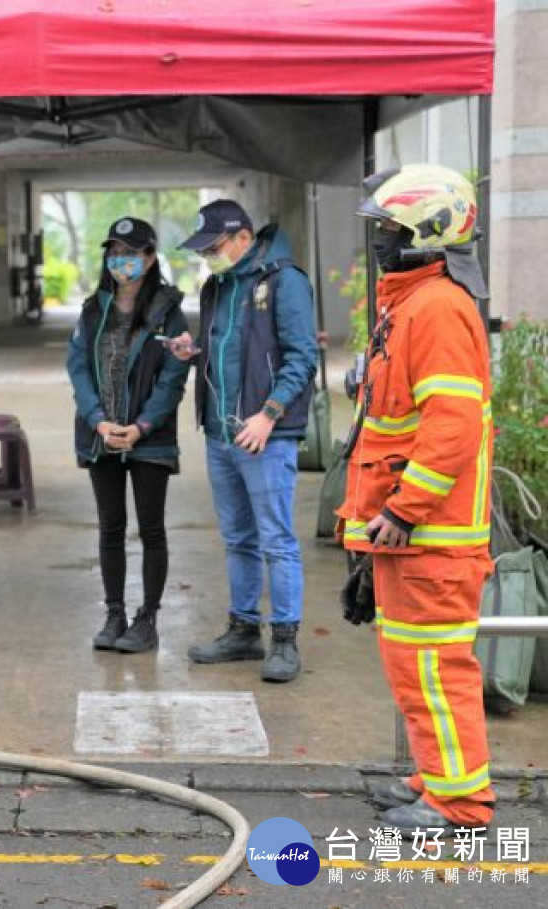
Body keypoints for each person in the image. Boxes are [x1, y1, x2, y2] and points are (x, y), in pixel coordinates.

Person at [340, 164, 494, 834]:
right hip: (410, 535)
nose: (379, 241)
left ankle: (458, 802)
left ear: (426, 233)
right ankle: (437, 776)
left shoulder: (434, 308)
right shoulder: (412, 303)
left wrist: (404, 509)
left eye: (390, 229)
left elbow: (452, 427)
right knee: (414, 664)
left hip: (429, 535)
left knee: (434, 667)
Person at [172, 199, 318, 683]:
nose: (208, 258)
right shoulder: (217, 285)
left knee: (276, 540)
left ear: (242, 237)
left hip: (265, 438)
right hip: (220, 433)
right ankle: (242, 630)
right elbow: (231, 351)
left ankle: (285, 641)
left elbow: (302, 358)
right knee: (238, 539)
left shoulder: (284, 281)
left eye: (214, 248)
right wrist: (195, 352)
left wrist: (268, 416)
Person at [66, 217, 189, 653]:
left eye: (132, 252)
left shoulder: (168, 312)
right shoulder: (92, 309)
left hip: (149, 439)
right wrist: (98, 419)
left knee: (151, 529)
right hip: (101, 436)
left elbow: (174, 377)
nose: (121, 260)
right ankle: (114, 612)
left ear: (151, 258)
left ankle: (148, 619)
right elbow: (77, 367)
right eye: (115, 252)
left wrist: (141, 426)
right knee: (110, 528)